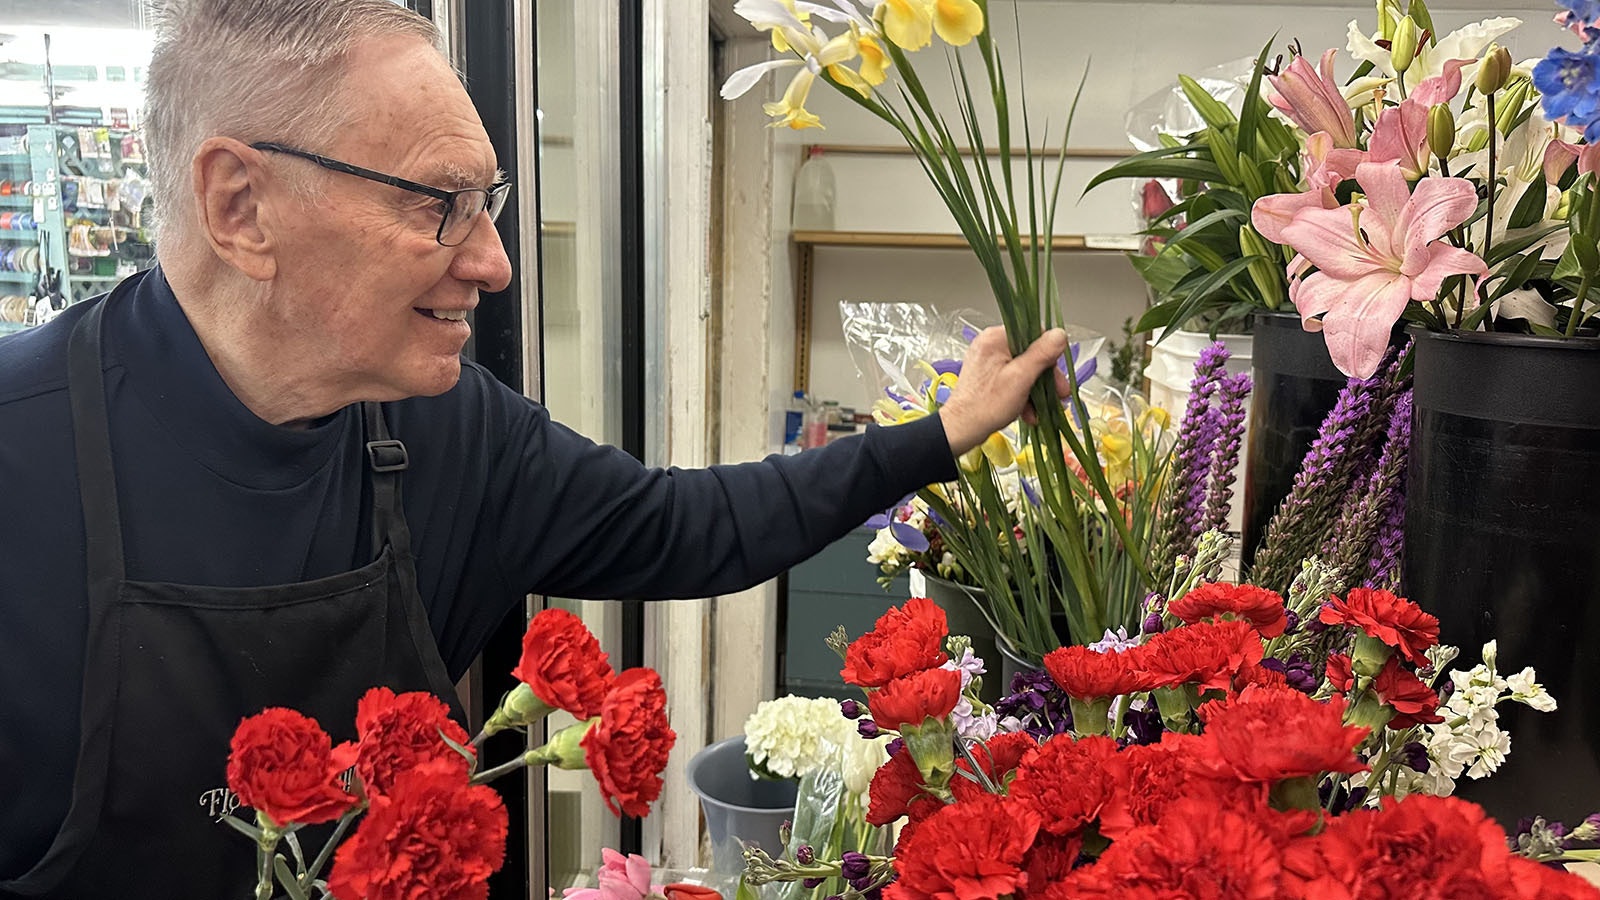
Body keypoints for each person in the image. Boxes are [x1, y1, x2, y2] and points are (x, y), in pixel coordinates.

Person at [0, 1, 1070, 896]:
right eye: (441, 205)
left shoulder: (447, 428)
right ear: (242, 205)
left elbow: (687, 527)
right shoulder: (20, 453)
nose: (495, 263)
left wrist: (942, 433)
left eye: (490, 205)